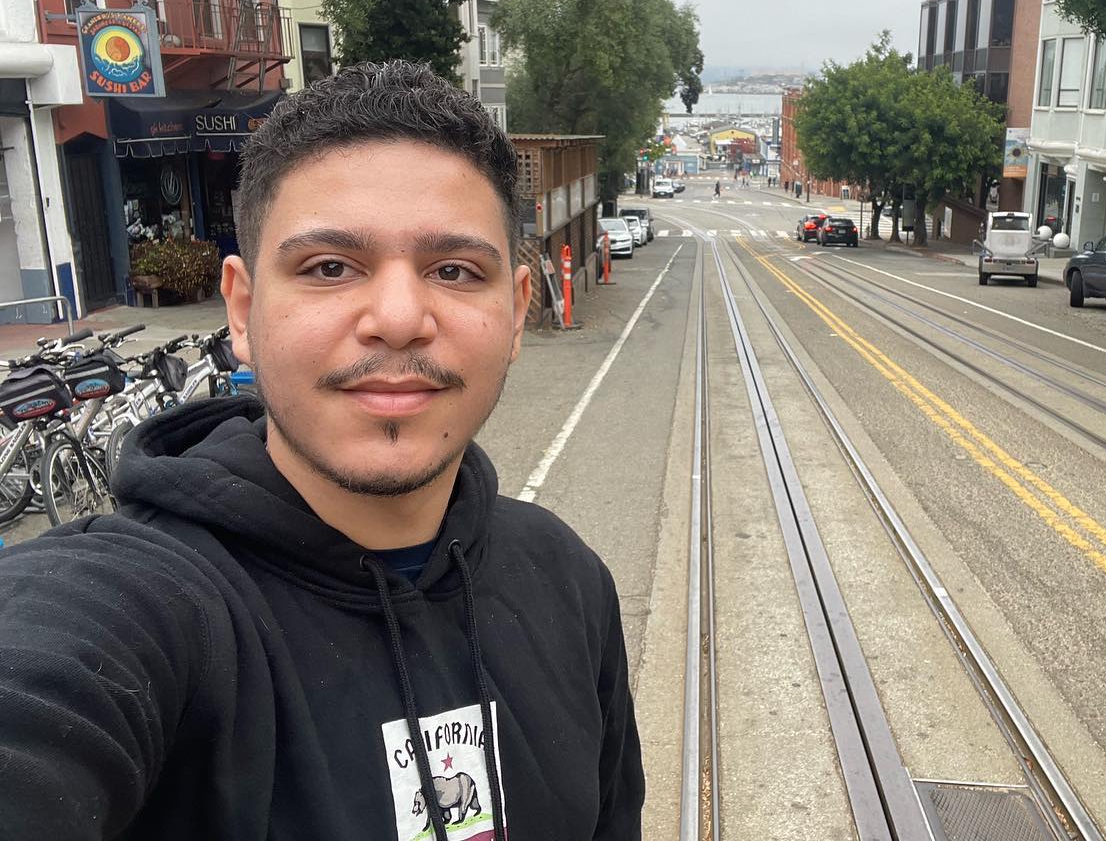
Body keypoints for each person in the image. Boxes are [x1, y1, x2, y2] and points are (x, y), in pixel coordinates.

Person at [0, 61, 642, 838]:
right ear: (241, 310)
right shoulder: (135, 610)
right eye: (330, 267)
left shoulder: (568, 581)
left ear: (514, 313)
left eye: (453, 270)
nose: (400, 317)